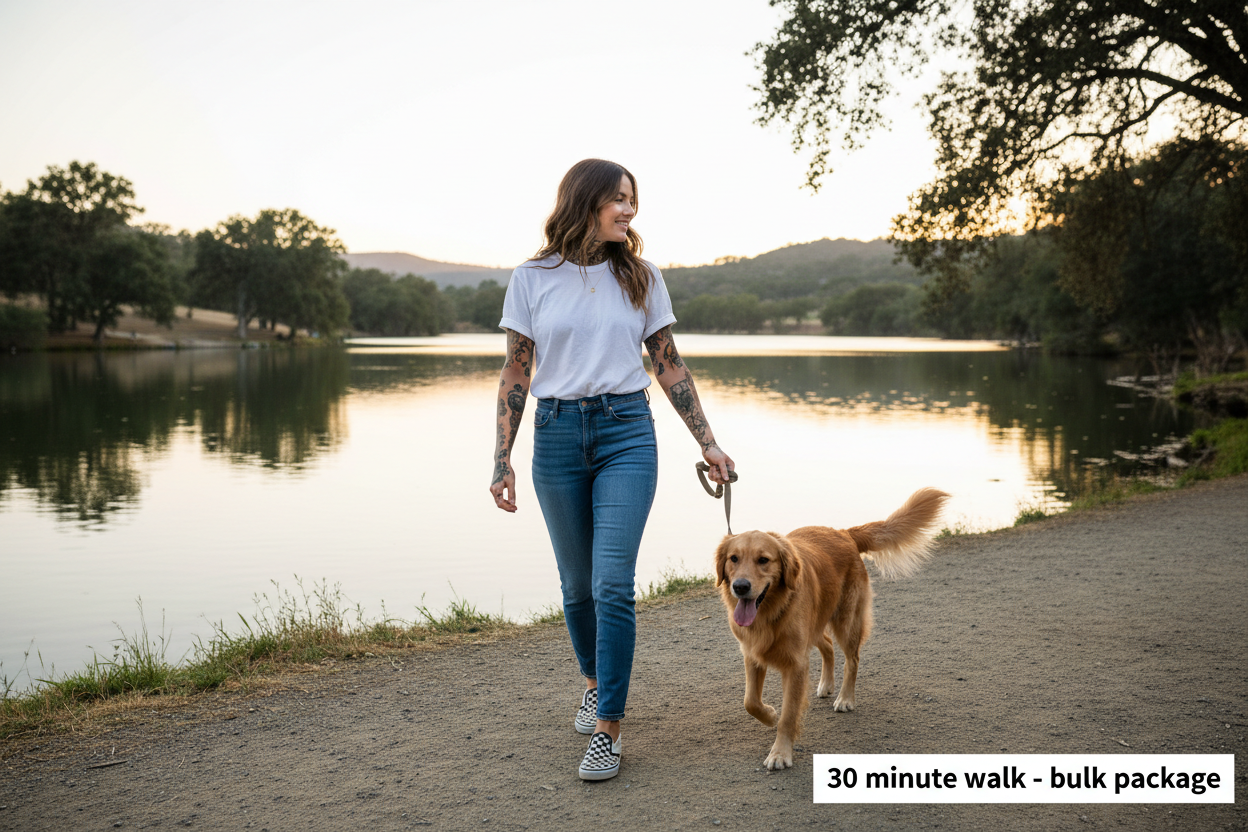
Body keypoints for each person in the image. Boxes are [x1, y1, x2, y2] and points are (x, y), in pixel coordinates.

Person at [489, 158, 734, 781]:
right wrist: (501, 459)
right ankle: (594, 683)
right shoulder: (532, 278)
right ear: (585, 201)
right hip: (556, 435)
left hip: (627, 432)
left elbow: (668, 364)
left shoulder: (641, 277)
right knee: (576, 586)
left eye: (632, 200)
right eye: (618, 199)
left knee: (612, 584)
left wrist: (708, 442)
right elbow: (517, 370)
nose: (629, 210)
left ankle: (609, 729)